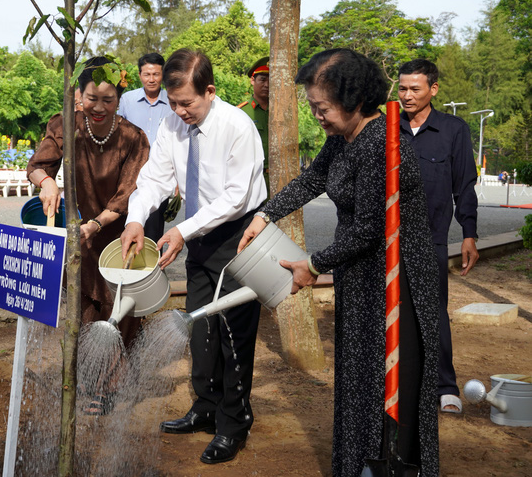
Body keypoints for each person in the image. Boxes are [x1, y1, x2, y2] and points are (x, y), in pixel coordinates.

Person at [239, 49, 440, 476]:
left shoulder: (384, 145)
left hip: (395, 284)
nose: (317, 116)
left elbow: (370, 227)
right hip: (360, 275)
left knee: (387, 385)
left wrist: (312, 264)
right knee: (358, 379)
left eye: (322, 107)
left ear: (352, 100)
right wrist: (265, 213)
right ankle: (355, 463)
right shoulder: (344, 139)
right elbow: (314, 178)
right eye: (312, 107)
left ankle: (385, 464)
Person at [120, 48, 266, 465]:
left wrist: (182, 230)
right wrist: (135, 219)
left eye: (187, 103)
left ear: (210, 91)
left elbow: (238, 197)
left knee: (234, 334)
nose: (180, 111)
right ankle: (205, 407)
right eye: (174, 102)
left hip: (239, 235)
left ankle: (234, 422)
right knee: (199, 326)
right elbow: (154, 180)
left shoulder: (238, 127)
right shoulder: (171, 125)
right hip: (199, 235)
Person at [27, 56, 150, 415]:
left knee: (117, 311)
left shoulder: (132, 137)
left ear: (119, 99)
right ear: (77, 95)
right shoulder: (66, 126)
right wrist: (47, 182)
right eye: (91, 98)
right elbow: (38, 165)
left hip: (119, 233)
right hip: (77, 237)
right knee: (81, 311)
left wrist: (97, 223)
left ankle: (108, 388)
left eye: (108, 100)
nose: (98, 107)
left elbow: (130, 193)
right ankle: (86, 380)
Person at [397, 59, 479, 414]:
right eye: (402, 88)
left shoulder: (453, 130)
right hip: (385, 240)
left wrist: (470, 234)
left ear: (433, 89)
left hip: (430, 240)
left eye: (415, 89)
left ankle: (445, 386)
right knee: (388, 312)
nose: (407, 95)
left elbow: (464, 186)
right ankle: (396, 386)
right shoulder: (386, 128)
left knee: (432, 312)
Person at [117, 53, 173, 242]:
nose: (152, 79)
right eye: (147, 74)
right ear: (140, 75)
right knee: (127, 221)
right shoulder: (127, 100)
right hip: (130, 173)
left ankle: (151, 268)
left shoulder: (172, 102)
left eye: (156, 74)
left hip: (160, 174)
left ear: (163, 75)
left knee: (153, 228)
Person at [237, 57, 270, 194]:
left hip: (277, 178)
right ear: (252, 80)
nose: (267, 85)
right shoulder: (240, 112)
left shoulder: (282, 112)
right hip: (250, 179)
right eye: (262, 80)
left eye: (271, 80)